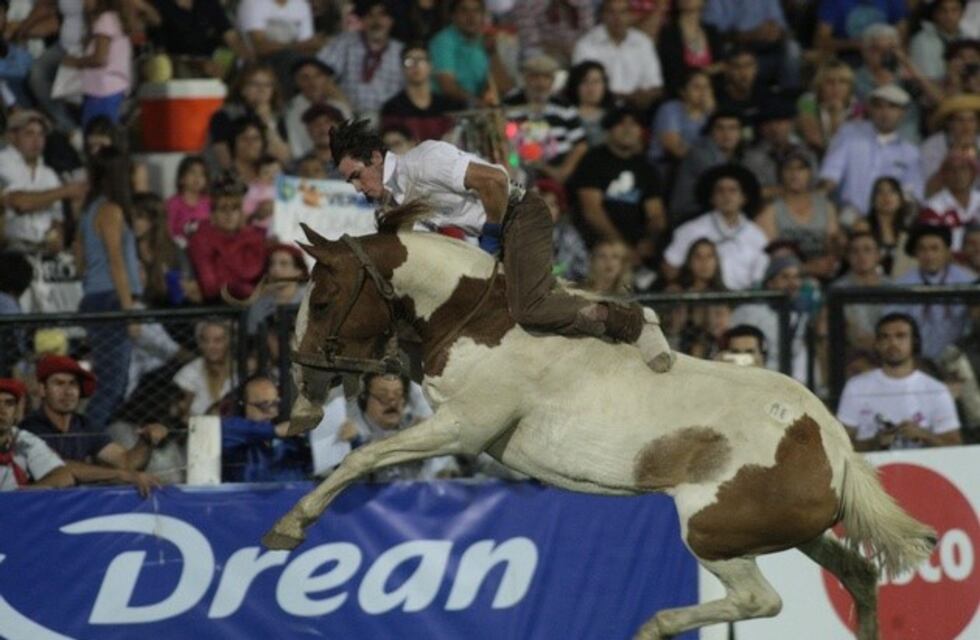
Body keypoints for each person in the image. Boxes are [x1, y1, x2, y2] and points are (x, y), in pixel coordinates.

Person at [330, 117, 674, 372]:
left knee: (529, 307)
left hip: (520, 215)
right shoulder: (397, 198)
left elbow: (494, 180)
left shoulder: (423, 160)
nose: (357, 188)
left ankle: (633, 321)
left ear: (375, 157)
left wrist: (493, 233)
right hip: (499, 229)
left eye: (356, 176)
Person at [20, 355, 164, 494]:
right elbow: (60, 469)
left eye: (73, 383)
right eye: (59, 383)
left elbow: (127, 463)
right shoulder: (30, 428)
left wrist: (146, 441)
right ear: (42, 389)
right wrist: (122, 475)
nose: (68, 392)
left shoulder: (84, 425)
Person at [76, 147, 142, 433]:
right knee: (113, 384)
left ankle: (91, 441)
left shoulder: (90, 209)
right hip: (112, 301)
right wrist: (130, 313)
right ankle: (86, 443)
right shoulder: (111, 210)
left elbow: (79, 260)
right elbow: (116, 261)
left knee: (108, 381)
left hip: (94, 297)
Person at [837, 313, 962, 450]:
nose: (893, 343)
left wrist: (925, 435)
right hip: (870, 468)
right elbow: (840, 446)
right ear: (877, 344)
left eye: (900, 336)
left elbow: (955, 445)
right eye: (885, 337)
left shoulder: (936, 389)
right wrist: (874, 442)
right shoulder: (856, 387)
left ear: (914, 342)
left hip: (922, 468)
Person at [570, 108, 666, 264]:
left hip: (637, 248)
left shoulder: (647, 168)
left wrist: (650, 241)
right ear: (610, 129)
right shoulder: (592, 160)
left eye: (634, 124)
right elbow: (591, 211)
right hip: (596, 243)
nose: (628, 129)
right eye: (621, 124)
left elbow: (656, 214)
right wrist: (621, 247)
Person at [819, 84, 924, 218]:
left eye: (892, 107)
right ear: (870, 109)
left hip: (890, 220)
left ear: (902, 113)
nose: (885, 112)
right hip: (849, 215)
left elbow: (912, 195)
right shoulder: (849, 133)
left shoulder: (910, 153)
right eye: (879, 106)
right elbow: (830, 175)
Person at [664, 164, 769, 290]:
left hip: (744, 301)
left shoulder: (756, 235)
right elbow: (670, 269)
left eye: (733, 190)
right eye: (720, 191)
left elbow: (762, 276)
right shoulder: (690, 230)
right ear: (712, 198)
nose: (726, 196)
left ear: (744, 198)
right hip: (701, 300)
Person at [0, 111, 87, 253]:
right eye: (29, 134)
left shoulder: (49, 174)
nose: (37, 140)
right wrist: (65, 191)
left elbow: (57, 219)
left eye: (41, 134)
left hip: (42, 249)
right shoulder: (3, 162)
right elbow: (20, 203)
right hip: (11, 249)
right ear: (12, 137)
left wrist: (56, 237)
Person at [892, 224, 975, 361]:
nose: (929, 255)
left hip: (960, 359)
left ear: (947, 251)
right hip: (916, 359)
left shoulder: (968, 281)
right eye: (922, 249)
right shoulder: (902, 285)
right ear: (916, 253)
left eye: (935, 248)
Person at [754, 149, 840, 280]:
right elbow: (770, 254)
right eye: (788, 168)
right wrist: (805, 268)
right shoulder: (770, 211)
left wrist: (827, 262)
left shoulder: (826, 207)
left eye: (801, 168)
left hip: (823, 275)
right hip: (786, 277)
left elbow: (832, 246)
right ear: (780, 174)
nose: (794, 174)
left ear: (810, 173)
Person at [503, 54, 588, 185]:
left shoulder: (564, 107)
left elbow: (580, 145)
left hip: (558, 174)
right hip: (517, 172)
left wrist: (563, 172)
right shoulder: (509, 105)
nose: (540, 83)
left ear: (553, 81)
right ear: (525, 78)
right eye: (535, 76)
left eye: (546, 77)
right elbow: (503, 142)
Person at [572, 0, 663, 111]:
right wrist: (622, 99)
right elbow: (581, 87)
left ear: (631, 15)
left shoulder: (643, 43)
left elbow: (655, 87)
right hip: (599, 110)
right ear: (602, 15)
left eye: (623, 12)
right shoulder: (586, 45)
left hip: (636, 111)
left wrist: (631, 101)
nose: (617, 18)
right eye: (611, 12)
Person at [318, 0, 404, 117]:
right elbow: (319, 74)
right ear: (362, 19)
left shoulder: (400, 51)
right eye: (370, 15)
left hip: (388, 120)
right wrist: (345, 108)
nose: (376, 21)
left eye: (382, 15)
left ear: (391, 20)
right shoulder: (344, 43)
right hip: (346, 115)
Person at [187, 178, 267, 302]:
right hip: (217, 307)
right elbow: (210, 287)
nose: (229, 214)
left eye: (234, 208)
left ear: (241, 212)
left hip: (256, 305)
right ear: (213, 214)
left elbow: (256, 272)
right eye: (223, 209)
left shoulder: (255, 238)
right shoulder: (201, 239)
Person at [220, 375, 309, 482]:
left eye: (275, 404)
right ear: (243, 406)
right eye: (264, 405)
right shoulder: (232, 431)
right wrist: (275, 431)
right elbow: (227, 429)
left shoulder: (290, 441)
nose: (272, 412)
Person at [428, 0, 513, 108]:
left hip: (479, 107)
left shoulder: (486, 40)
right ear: (453, 16)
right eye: (464, 11)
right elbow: (447, 86)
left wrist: (493, 54)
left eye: (476, 11)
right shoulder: (443, 41)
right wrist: (477, 103)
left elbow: (505, 87)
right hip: (447, 107)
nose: (471, 16)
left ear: (483, 16)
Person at [207, 65, 290, 172]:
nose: (262, 90)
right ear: (243, 89)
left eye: (268, 85)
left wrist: (268, 122)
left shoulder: (277, 116)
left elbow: (285, 158)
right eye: (255, 84)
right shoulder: (224, 115)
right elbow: (225, 160)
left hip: (269, 178)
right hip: (233, 180)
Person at [61, 0, 131, 126]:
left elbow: (100, 58)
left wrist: (75, 62)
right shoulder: (113, 18)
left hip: (103, 92)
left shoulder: (105, 21)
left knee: (96, 134)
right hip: (110, 90)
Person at [702, 0, 801, 89]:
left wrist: (776, 32)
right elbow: (711, 33)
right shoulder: (717, 2)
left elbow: (784, 28)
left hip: (769, 49)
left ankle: (790, 98)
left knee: (793, 48)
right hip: (738, 49)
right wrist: (747, 35)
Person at [668, 109, 744, 223]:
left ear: (740, 133)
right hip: (689, 216)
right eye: (720, 128)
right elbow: (724, 186)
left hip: (713, 211)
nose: (726, 134)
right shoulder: (700, 153)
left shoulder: (737, 156)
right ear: (711, 132)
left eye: (733, 128)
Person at [0, 377, 74, 490]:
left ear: (16, 411)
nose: (2, 410)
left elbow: (63, 477)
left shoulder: (23, 440)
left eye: (9, 404)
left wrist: (22, 496)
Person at [380, 43, 463, 143]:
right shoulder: (392, 108)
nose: (416, 65)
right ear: (402, 68)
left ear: (430, 66)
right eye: (409, 61)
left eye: (421, 60)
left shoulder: (447, 106)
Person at [831, 231, 892, 354]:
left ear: (878, 255)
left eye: (867, 250)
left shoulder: (892, 287)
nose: (861, 255)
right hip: (852, 354)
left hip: (889, 350)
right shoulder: (837, 290)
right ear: (847, 257)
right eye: (855, 251)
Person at [284, 57, 351, 158]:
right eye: (305, 78)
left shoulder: (339, 106)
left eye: (318, 76)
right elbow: (296, 149)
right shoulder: (291, 110)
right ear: (296, 82)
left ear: (326, 79)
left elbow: (351, 140)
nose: (312, 82)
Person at [648, 69, 716, 165]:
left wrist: (712, 113)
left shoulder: (710, 112)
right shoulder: (670, 109)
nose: (703, 92)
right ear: (683, 91)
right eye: (697, 87)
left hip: (699, 164)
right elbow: (675, 148)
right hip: (666, 164)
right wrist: (705, 163)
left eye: (706, 87)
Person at [852, 176, 916, 277]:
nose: (886, 197)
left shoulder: (907, 232)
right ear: (873, 199)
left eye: (892, 192)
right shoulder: (863, 226)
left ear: (900, 199)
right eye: (880, 192)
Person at [656, 0, 725, 92]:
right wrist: (708, 70)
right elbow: (673, 72)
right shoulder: (668, 34)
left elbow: (722, 66)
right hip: (680, 94)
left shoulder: (712, 32)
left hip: (713, 94)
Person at [795, 59, 861, 155]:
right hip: (813, 155)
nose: (836, 87)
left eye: (842, 82)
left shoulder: (857, 107)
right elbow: (814, 140)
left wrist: (836, 114)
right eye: (829, 82)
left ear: (850, 86)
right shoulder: (808, 102)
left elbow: (851, 143)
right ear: (820, 85)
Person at [921, 94, 980, 195]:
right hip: (943, 202)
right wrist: (954, 153)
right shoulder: (932, 145)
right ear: (949, 123)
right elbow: (929, 190)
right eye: (960, 120)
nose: (966, 126)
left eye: (971, 120)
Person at [173, 320, 236, 416]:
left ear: (228, 341)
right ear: (199, 343)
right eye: (205, 341)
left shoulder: (241, 370)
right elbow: (181, 414)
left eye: (218, 340)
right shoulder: (188, 374)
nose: (211, 346)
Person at [919, 151, 980, 250]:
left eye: (963, 169)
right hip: (950, 262)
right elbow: (932, 247)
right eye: (952, 170)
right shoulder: (932, 208)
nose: (958, 174)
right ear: (944, 176)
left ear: (972, 173)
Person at [246, 243, 309, 334]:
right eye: (272, 264)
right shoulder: (260, 305)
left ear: (299, 271)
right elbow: (252, 337)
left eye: (284, 264)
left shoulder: (310, 299)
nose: (276, 269)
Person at [513, 0, 593, 68]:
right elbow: (531, 40)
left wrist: (577, 49)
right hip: (546, 50)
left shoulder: (582, 1)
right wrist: (561, 48)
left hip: (577, 49)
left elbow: (588, 33)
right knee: (532, 53)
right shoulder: (525, 3)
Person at [910, 0, 968, 81]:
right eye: (943, 11)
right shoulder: (922, 40)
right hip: (932, 90)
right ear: (935, 14)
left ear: (962, 13)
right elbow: (928, 78)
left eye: (954, 10)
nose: (949, 16)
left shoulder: (968, 38)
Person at [563, 60, 615, 147]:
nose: (591, 88)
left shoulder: (615, 116)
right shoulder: (563, 115)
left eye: (596, 81)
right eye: (584, 81)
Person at [165, 155, 211, 248]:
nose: (197, 177)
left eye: (202, 174)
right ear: (181, 178)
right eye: (192, 172)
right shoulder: (173, 203)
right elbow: (167, 231)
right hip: (180, 249)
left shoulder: (209, 202)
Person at [292, 102, 344, 178]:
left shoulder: (355, 164)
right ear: (308, 130)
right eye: (316, 124)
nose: (323, 129)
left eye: (328, 122)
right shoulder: (296, 166)